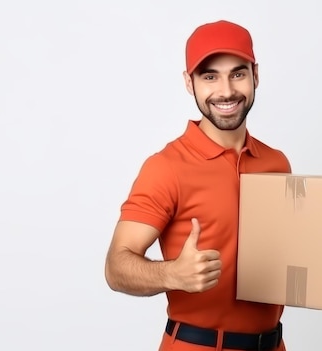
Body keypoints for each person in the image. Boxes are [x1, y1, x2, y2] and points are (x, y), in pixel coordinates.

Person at [104, 19, 292, 351]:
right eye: (209, 76)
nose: (226, 90)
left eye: (237, 73)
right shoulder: (166, 167)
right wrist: (171, 275)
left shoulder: (276, 164)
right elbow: (116, 265)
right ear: (189, 84)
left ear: (255, 75)